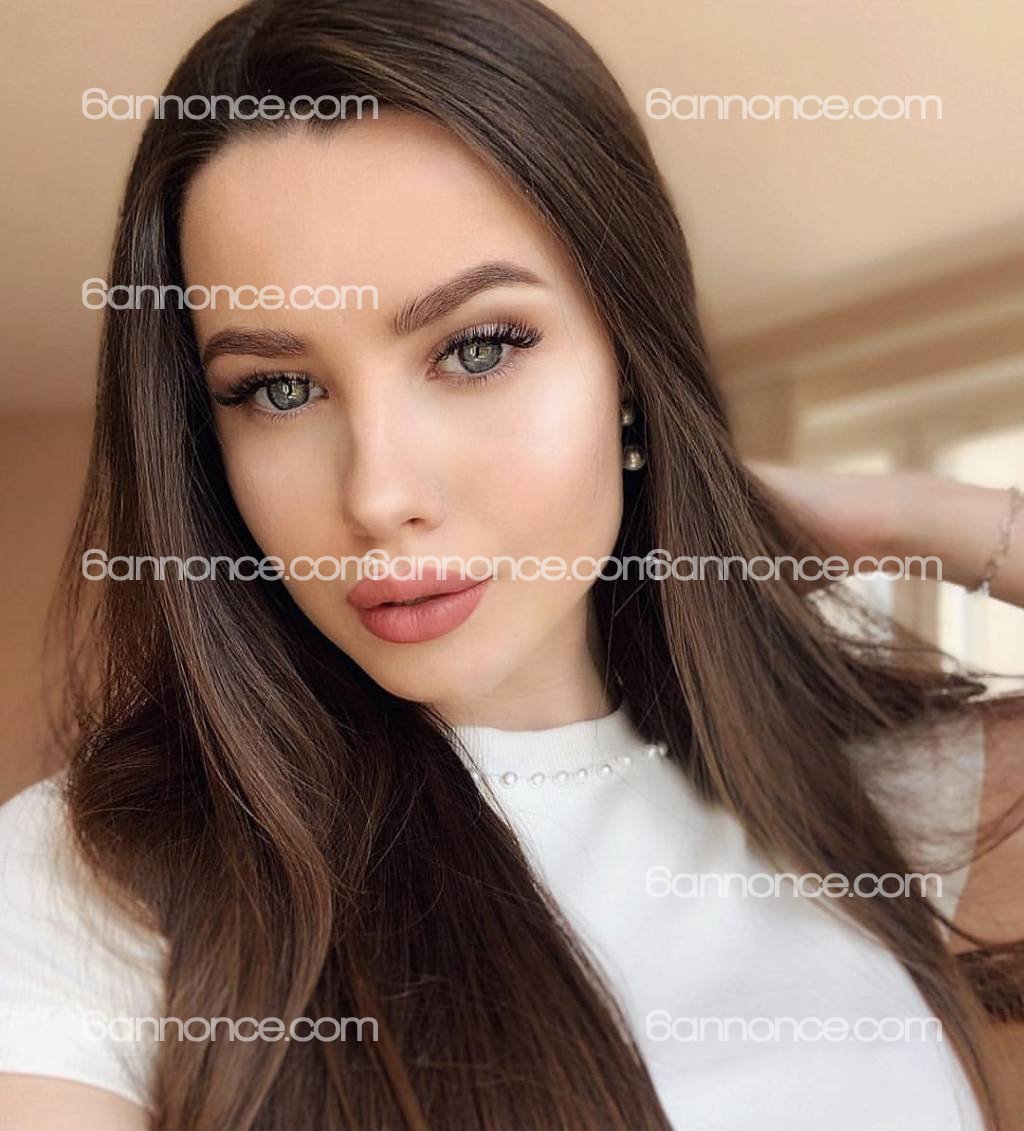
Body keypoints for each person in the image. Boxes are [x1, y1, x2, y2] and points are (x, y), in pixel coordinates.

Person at [1, 1, 1022, 1128]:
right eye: (278, 389)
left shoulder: (883, 803)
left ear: (628, 360)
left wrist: (898, 511)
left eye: (477, 348)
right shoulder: (92, 883)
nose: (378, 492)